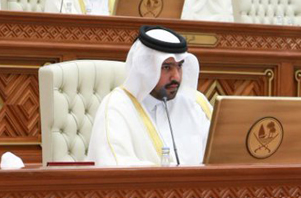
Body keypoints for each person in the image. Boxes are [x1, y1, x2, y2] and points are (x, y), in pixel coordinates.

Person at [88, 26, 212, 166]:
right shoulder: (117, 108)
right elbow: (115, 168)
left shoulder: (196, 104)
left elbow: (224, 158)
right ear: (145, 68)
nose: (176, 76)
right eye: (166, 67)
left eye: (179, 66)